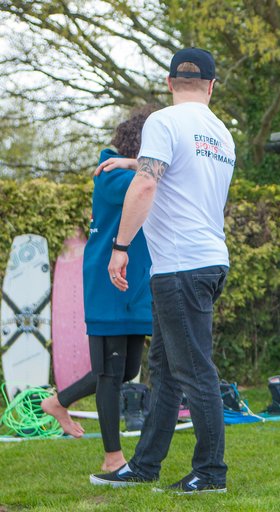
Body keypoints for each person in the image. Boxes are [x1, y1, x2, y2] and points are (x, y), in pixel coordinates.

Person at [89, 47, 235, 493]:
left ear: (170, 83)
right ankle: (146, 464)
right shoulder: (222, 135)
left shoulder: (164, 121)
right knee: (167, 370)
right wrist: (136, 161)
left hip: (180, 267)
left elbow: (149, 182)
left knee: (194, 371)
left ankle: (211, 474)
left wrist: (120, 246)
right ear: (211, 86)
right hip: (209, 260)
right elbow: (184, 174)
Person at [41, 106, 156, 472]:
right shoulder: (108, 169)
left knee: (125, 369)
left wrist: (140, 164)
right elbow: (152, 184)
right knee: (109, 370)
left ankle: (60, 401)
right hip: (108, 281)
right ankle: (112, 458)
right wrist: (140, 165)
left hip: (135, 283)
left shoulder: (131, 168)